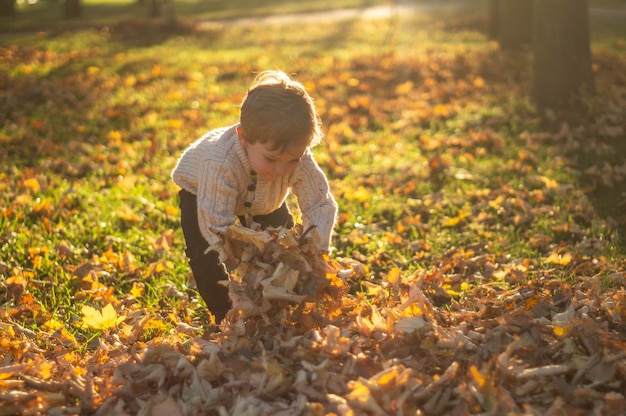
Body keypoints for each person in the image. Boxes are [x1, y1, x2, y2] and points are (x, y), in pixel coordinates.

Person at [172, 70, 338, 324]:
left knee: (284, 248)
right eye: (271, 159)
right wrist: (249, 267)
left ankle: (283, 301)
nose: (281, 170)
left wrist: (315, 250)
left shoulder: (297, 157)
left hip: (265, 201)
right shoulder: (219, 163)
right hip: (202, 193)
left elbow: (320, 203)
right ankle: (226, 313)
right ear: (244, 138)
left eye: (291, 160)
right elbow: (217, 228)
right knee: (205, 255)